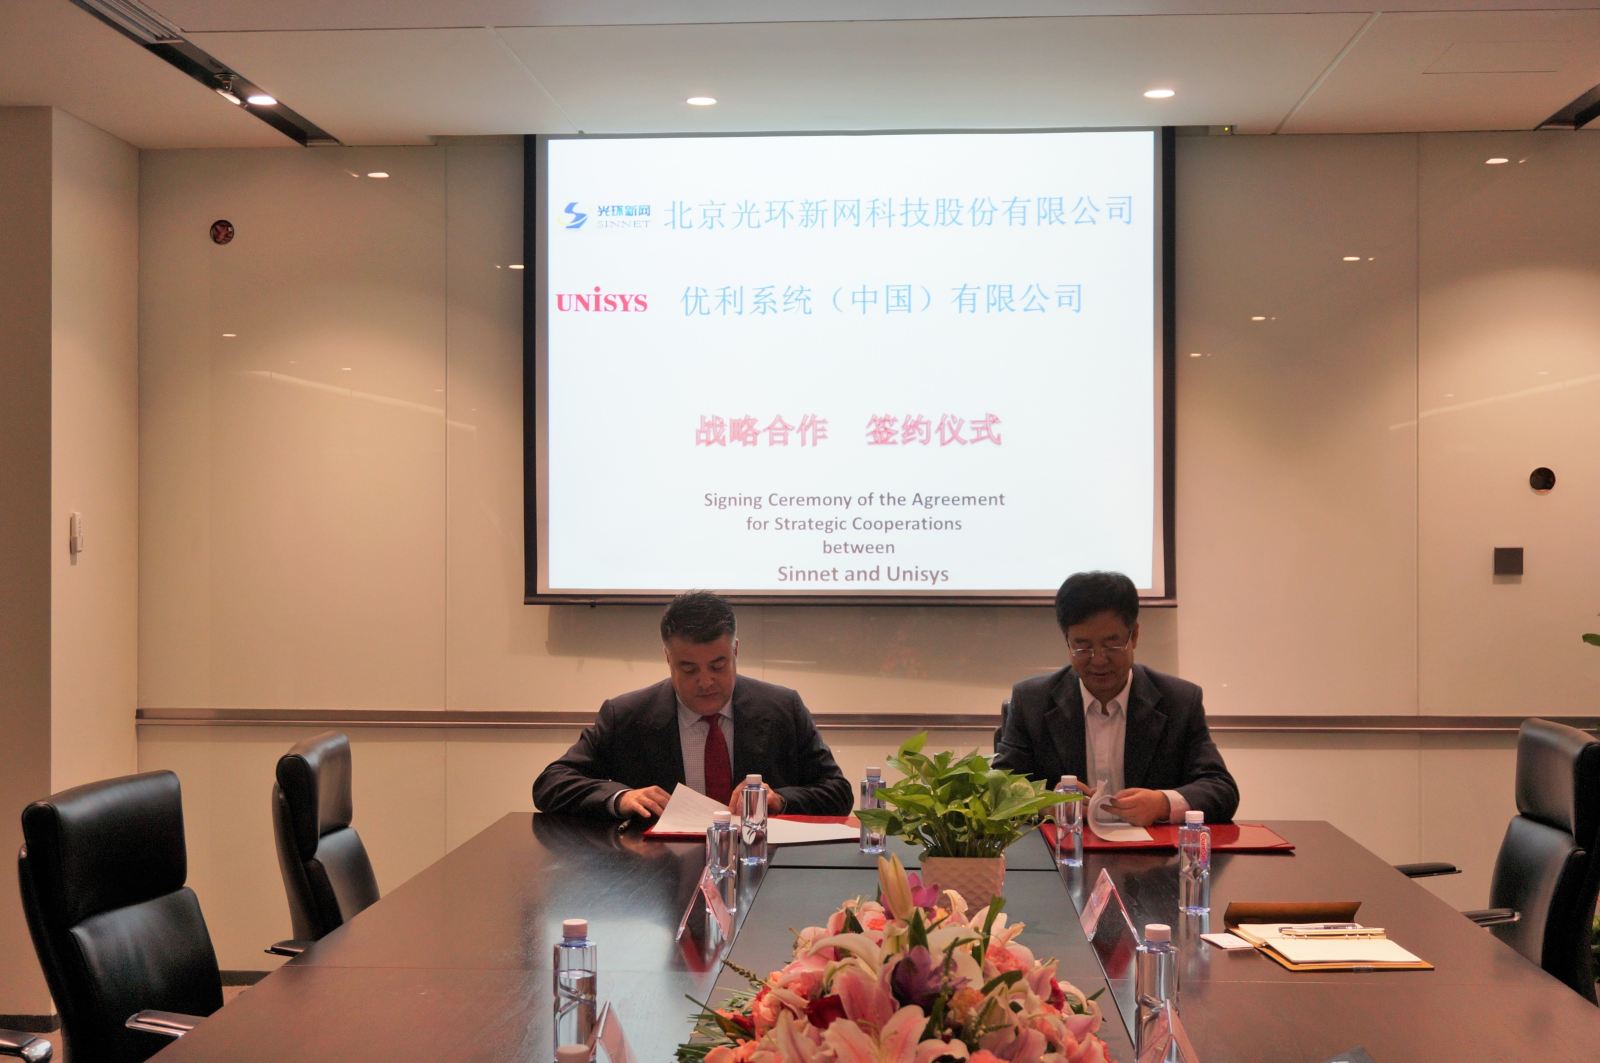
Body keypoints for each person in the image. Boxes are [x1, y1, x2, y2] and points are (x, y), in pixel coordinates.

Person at [533, 591, 853, 820]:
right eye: (688, 669)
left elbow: (838, 792)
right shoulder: (627, 715)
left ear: (735, 651)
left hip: (761, 867)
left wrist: (779, 800)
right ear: (668, 658)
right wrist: (621, 797)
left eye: (717, 666)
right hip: (655, 874)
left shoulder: (782, 707)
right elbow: (551, 783)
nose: (705, 681)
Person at [993, 571, 1239, 826]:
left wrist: (1162, 803)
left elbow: (1221, 788)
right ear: (1067, 642)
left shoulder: (1179, 701)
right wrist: (1045, 804)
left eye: (1112, 644)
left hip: (1152, 849)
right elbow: (996, 790)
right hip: (1065, 846)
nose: (1099, 659)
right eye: (1082, 646)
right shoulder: (1032, 702)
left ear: (1134, 636)